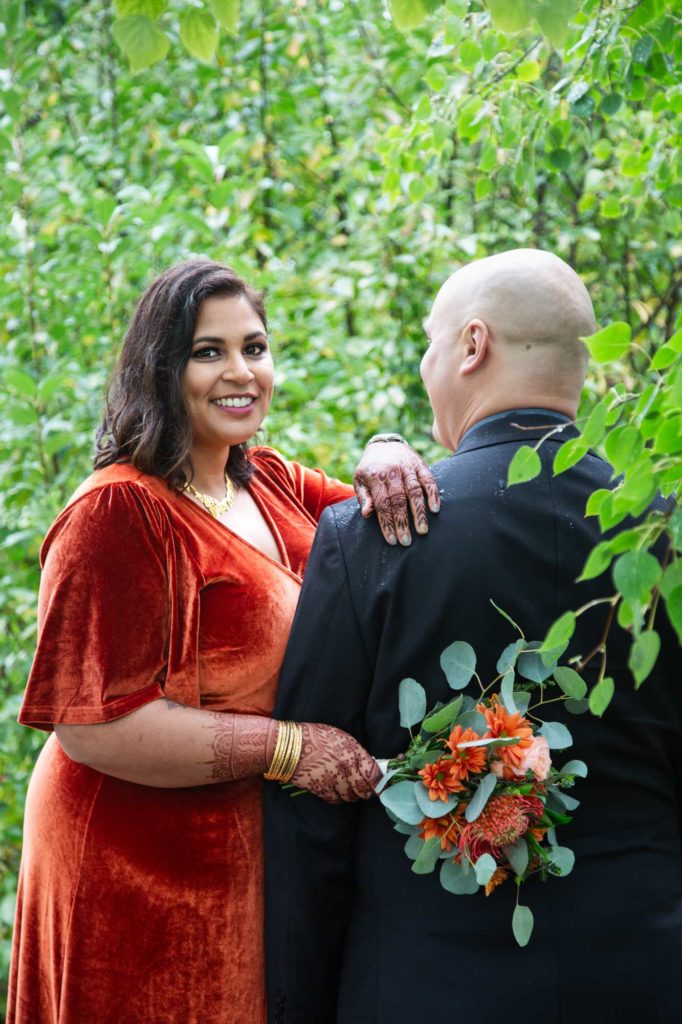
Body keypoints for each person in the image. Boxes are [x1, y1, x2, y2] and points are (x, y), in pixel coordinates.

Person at [7, 259, 441, 1024]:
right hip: (126, 856)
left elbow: (392, 518)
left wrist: (387, 445)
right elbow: (90, 728)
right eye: (209, 352)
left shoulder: (266, 481)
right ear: (161, 368)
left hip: (241, 853)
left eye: (256, 347)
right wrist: (290, 749)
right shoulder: (117, 512)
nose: (240, 372)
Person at [265, 248, 682, 1023]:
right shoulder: (665, 531)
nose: (428, 366)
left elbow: (311, 807)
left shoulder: (368, 541)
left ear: (472, 345)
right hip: (647, 972)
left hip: (423, 984)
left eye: (431, 342)